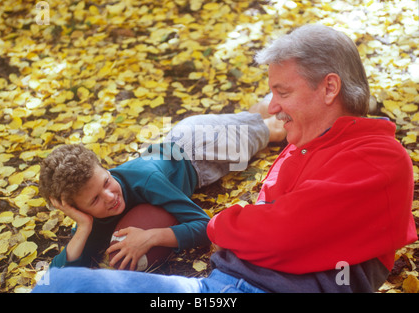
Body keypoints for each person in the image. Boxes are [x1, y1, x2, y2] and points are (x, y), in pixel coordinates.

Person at [33, 24, 417, 293]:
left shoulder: (377, 157)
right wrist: (84, 227)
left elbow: (278, 230)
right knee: (57, 284)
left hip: (200, 149)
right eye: (272, 93)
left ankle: (255, 119)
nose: (277, 102)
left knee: (263, 127)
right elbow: (279, 224)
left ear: (330, 87)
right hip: (222, 285)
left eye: (282, 92)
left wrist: (222, 225)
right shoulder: (308, 147)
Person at [39, 109, 285, 270]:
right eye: (94, 200)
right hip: (183, 146)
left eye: (106, 181)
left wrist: (151, 237)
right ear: (75, 208)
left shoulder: (146, 180)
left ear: (104, 168)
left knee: (276, 128)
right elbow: (60, 275)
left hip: (202, 146)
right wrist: (82, 226)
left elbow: (203, 225)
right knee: (256, 119)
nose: (110, 196)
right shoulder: (88, 215)